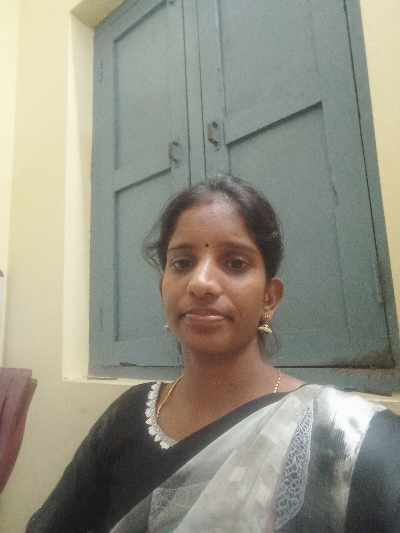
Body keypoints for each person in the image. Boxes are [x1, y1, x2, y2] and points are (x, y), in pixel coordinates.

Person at [27, 176, 400, 532]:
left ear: (269, 299)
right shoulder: (127, 416)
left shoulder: (347, 438)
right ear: (163, 288)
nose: (201, 283)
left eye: (235, 263)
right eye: (182, 263)